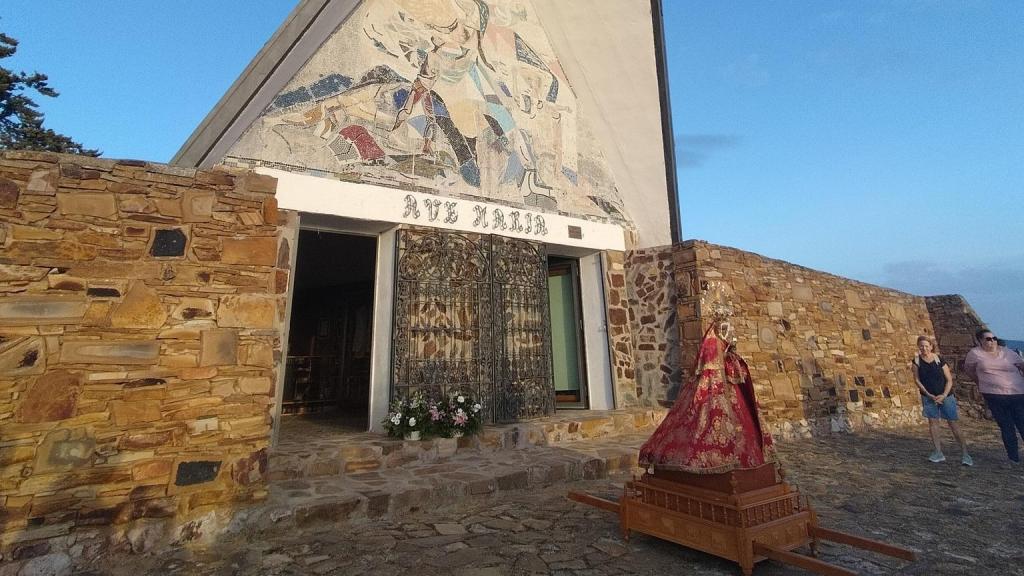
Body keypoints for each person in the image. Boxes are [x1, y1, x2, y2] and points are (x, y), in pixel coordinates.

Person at [639, 320, 775, 473]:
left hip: (729, 390)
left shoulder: (725, 347)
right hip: (712, 390)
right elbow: (708, 366)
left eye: (728, 330)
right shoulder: (711, 345)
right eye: (724, 330)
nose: (728, 334)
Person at [964, 328, 1024, 465]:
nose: (992, 341)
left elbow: (1021, 366)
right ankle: (1013, 457)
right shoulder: (975, 354)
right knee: (1006, 425)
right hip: (994, 394)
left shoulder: (1008, 353)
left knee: (1022, 423)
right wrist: (982, 382)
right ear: (980, 341)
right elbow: (969, 370)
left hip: (1017, 393)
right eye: (988, 339)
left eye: (994, 338)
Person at [912, 336, 971, 465]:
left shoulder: (939, 360)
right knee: (933, 423)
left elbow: (949, 379)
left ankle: (965, 453)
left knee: (953, 423)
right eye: (921, 346)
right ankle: (938, 452)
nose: (924, 348)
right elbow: (917, 379)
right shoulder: (916, 361)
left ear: (931, 346)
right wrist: (928, 394)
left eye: (926, 345)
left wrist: (943, 395)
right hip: (929, 397)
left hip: (946, 397)